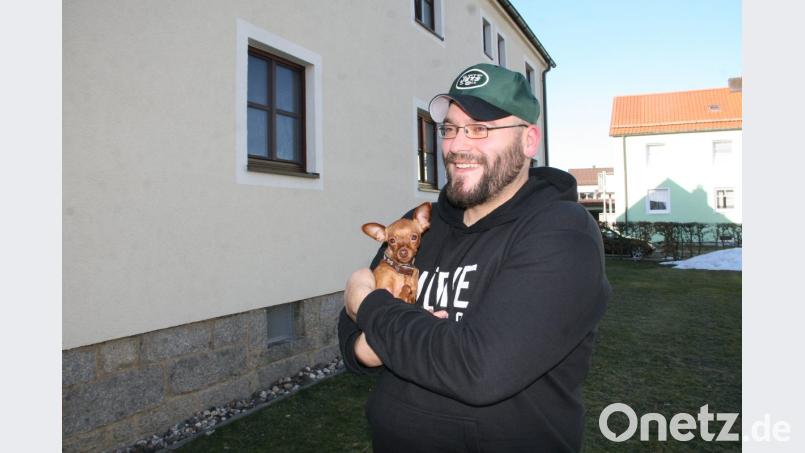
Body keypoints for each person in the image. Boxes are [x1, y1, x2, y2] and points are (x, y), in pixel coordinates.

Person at [338, 63, 611, 452]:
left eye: (480, 129)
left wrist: (370, 308)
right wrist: (369, 346)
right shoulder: (419, 228)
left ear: (529, 140)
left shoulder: (562, 233)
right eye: (450, 129)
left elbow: (479, 369)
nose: (457, 146)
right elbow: (349, 338)